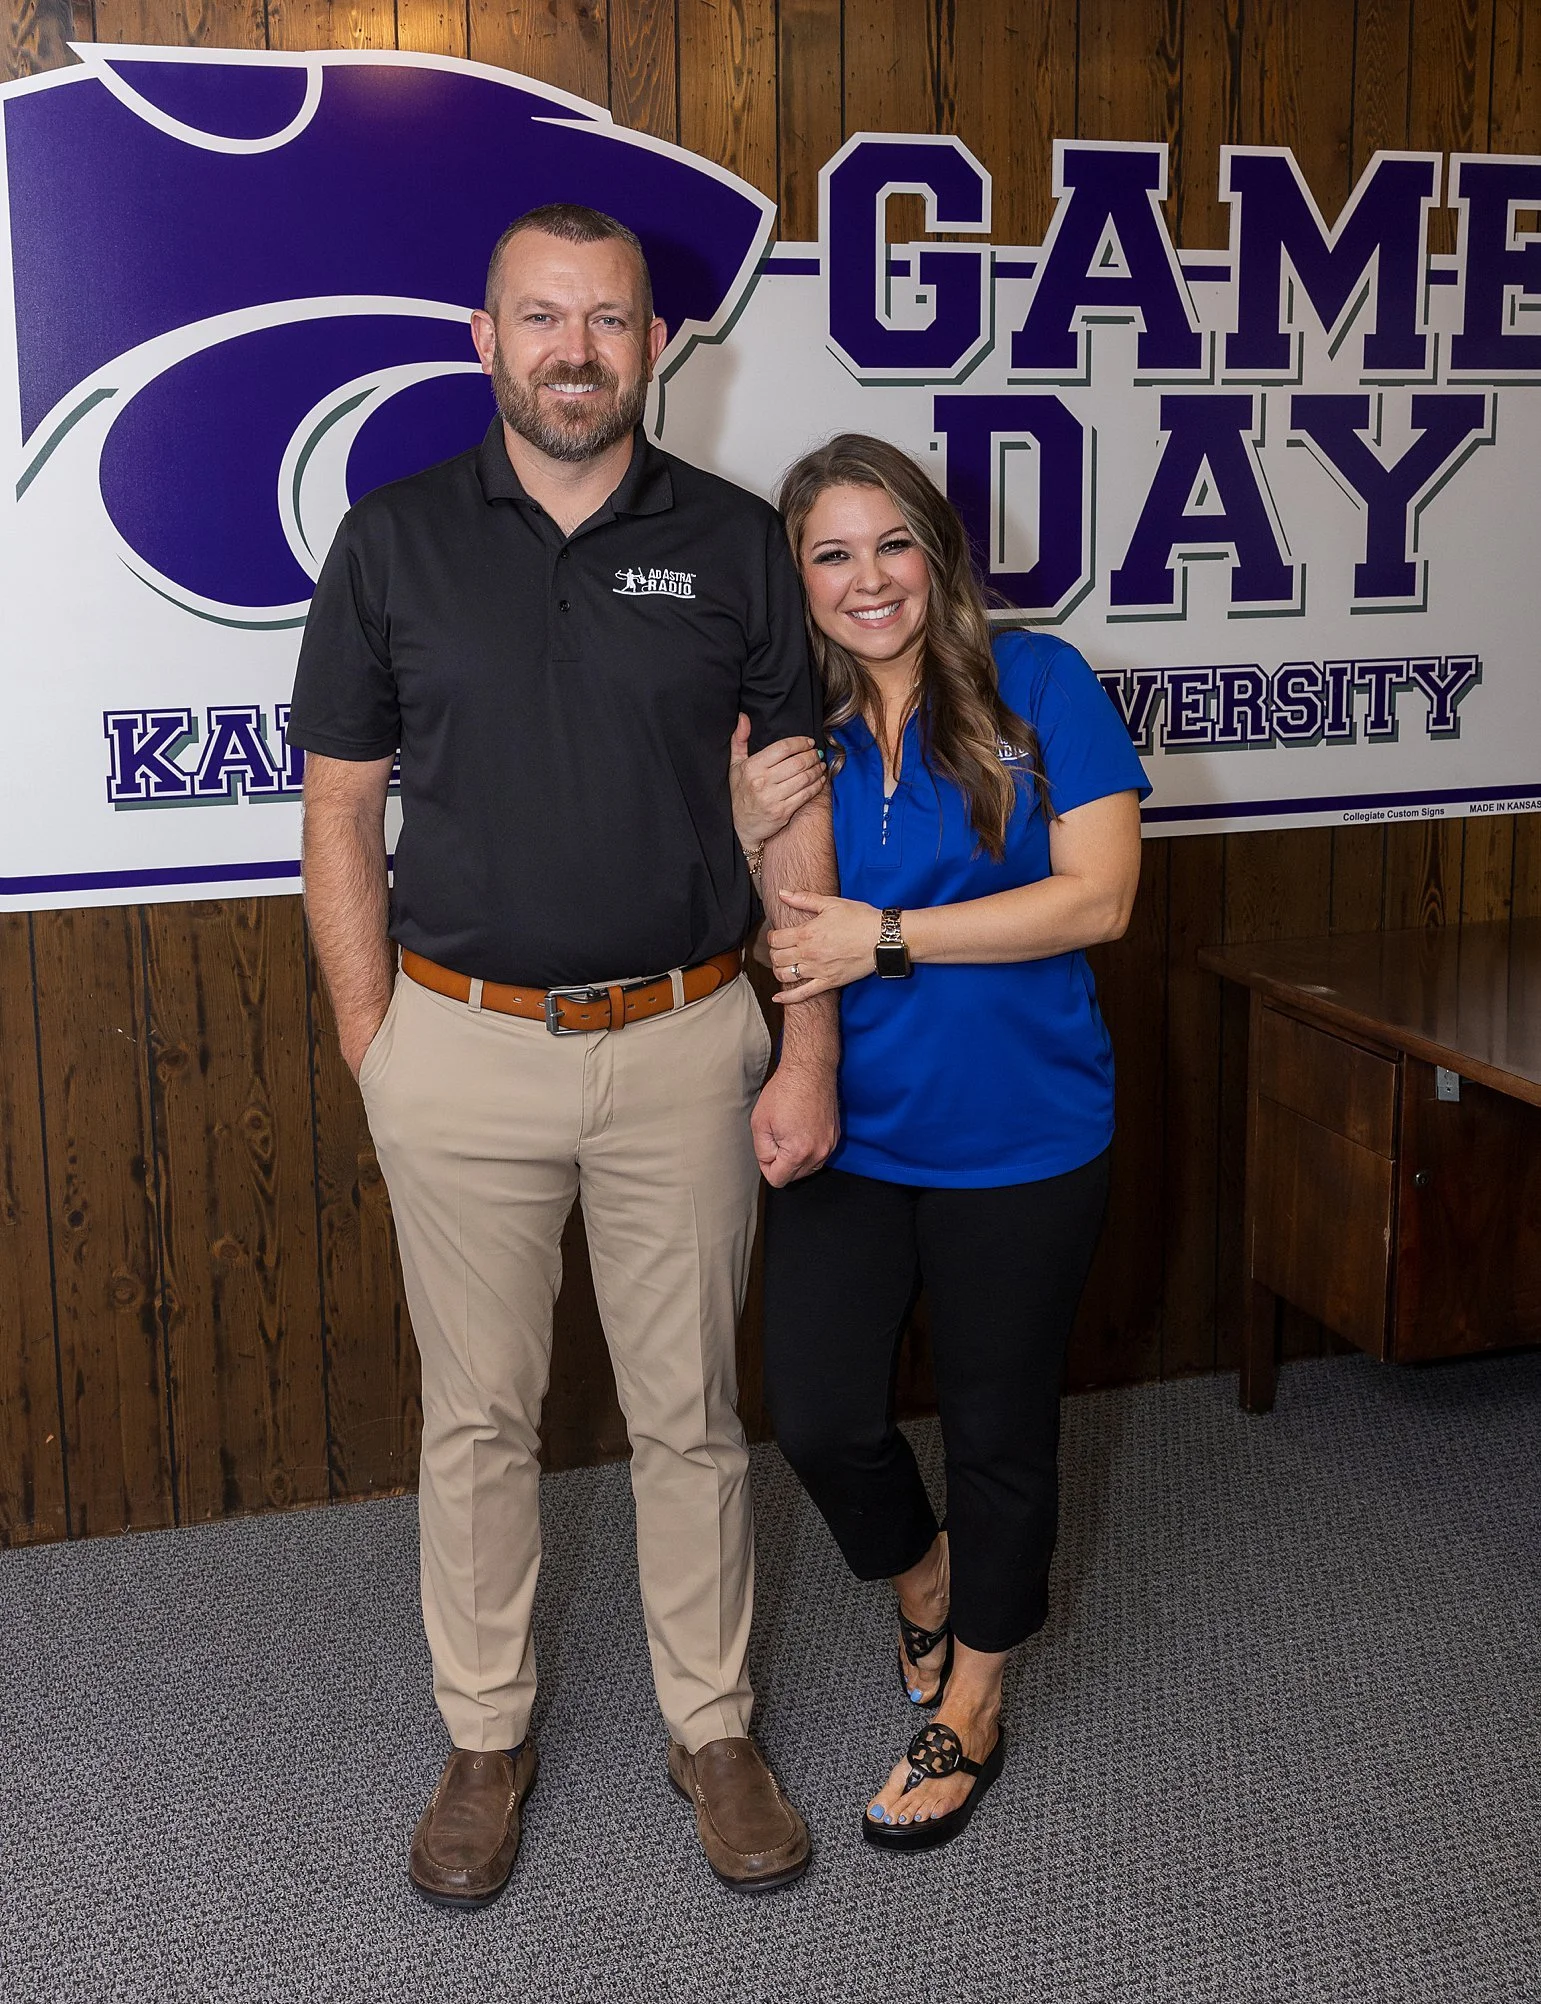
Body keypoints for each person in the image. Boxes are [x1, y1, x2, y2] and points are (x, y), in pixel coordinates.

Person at [288, 204, 839, 1906]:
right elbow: (338, 811)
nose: (575, 350)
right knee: (476, 1422)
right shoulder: (390, 541)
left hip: (686, 1042)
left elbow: (791, 814)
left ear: (654, 346)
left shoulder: (738, 544)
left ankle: (713, 1728)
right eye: (542, 316)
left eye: (608, 319)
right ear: (487, 340)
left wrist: (805, 1046)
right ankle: (484, 1737)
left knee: (690, 1415)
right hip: (459, 1049)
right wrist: (376, 1044)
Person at [732, 434, 1149, 1853]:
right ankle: (924, 1580)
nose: (870, 579)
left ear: (938, 553)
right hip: (853, 1131)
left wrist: (889, 938)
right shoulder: (788, 730)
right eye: (832, 554)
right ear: (799, 581)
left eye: (893, 543)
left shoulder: (1042, 683)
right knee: (821, 1415)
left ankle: (973, 1697)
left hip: (1027, 1135)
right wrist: (736, 827)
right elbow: (749, 920)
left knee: (998, 1428)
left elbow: (1099, 899)